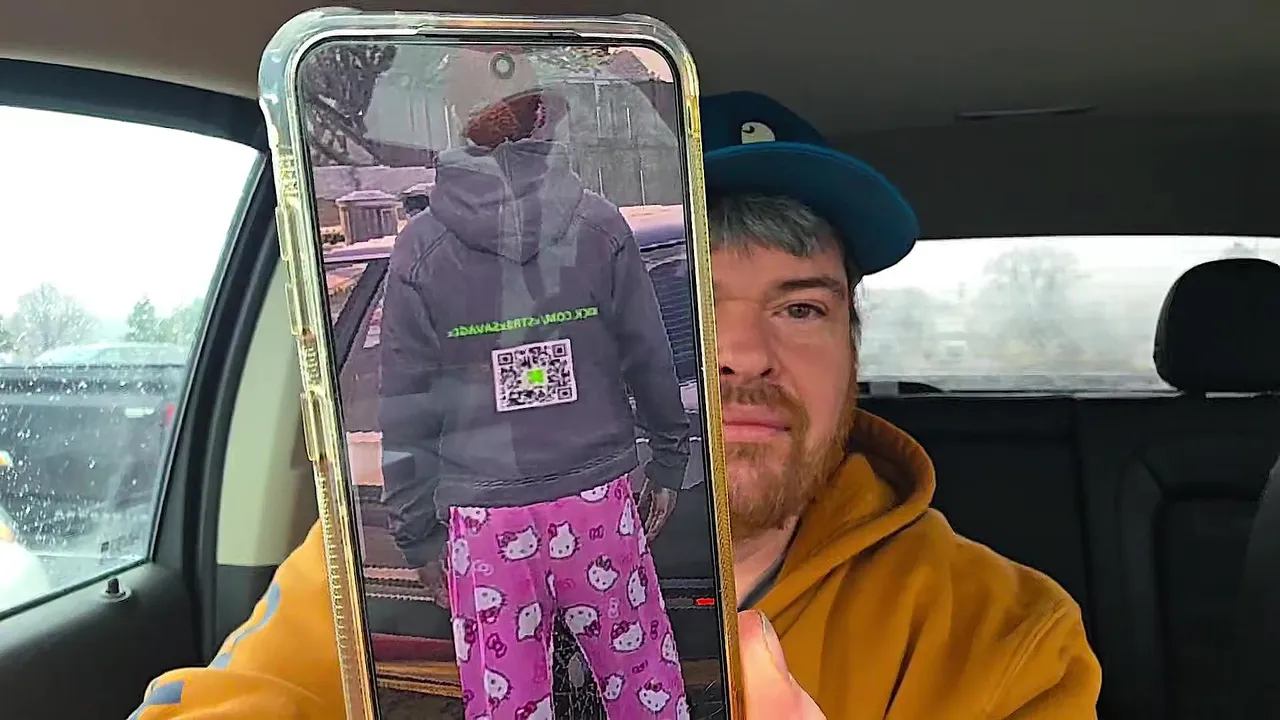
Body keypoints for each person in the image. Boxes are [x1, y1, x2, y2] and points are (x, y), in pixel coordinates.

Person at [129, 91, 1101, 719]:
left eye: (801, 307)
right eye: (686, 297)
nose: (740, 352)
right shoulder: (378, 566)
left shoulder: (996, 633)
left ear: (854, 348)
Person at [377, 86, 689, 717]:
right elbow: (648, 353)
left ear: (462, 131)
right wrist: (668, 457)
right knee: (642, 685)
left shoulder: (421, 247)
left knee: (508, 703)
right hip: (595, 500)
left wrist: (418, 537)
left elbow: (406, 404)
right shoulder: (598, 224)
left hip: (485, 520)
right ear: (544, 126)